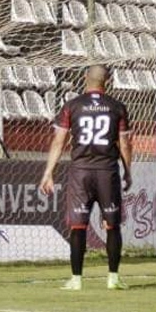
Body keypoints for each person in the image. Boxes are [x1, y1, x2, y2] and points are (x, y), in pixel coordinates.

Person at [39, 65, 133, 290]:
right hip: (107, 171)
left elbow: (58, 141)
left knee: (78, 226)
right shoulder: (117, 107)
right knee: (112, 225)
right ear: (107, 82)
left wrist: (48, 173)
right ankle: (113, 278)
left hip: (80, 171)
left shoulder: (72, 106)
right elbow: (125, 144)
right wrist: (128, 171)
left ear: (84, 79)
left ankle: (76, 279)